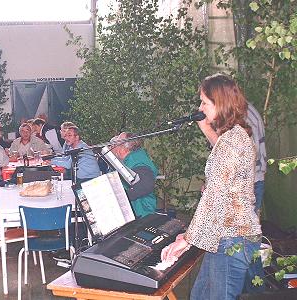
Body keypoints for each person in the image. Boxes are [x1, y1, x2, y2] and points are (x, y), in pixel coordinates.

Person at [161, 74, 262, 300]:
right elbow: (223, 164)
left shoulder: (232, 142)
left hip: (231, 238)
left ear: (221, 104)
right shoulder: (234, 136)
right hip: (228, 237)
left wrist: (186, 240)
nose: (200, 107)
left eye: (205, 103)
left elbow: (215, 198)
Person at [110, 132, 158, 218]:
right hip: (137, 212)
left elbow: (147, 185)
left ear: (123, 149)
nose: (114, 146)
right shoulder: (133, 158)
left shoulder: (137, 162)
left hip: (142, 213)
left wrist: (120, 197)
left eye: (117, 143)